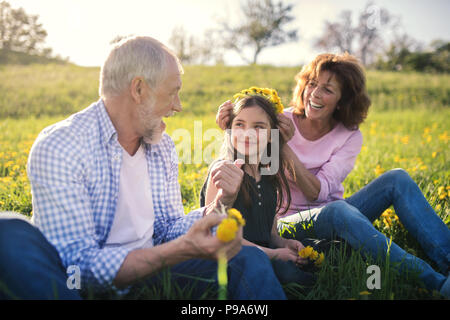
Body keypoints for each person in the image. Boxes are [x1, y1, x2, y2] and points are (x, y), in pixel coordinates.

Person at [0, 36, 286, 300]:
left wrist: (220, 204)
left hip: (152, 272)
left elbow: (166, 229)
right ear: (139, 89)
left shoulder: (161, 147)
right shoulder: (63, 145)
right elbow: (77, 267)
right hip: (83, 289)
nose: (178, 106)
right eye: (173, 93)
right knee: (8, 230)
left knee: (249, 260)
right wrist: (180, 250)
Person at [216, 53, 450, 297]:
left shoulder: (349, 134)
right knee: (337, 211)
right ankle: (435, 283)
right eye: (312, 84)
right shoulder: (277, 120)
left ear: (343, 100)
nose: (315, 94)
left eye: (327, 89)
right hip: (285, 222)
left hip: (336, 212)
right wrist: (229, 126)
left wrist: (283, 146)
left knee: (396, 179)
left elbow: (317, 191)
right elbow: (243, 152)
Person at [200, 87, 316, 286]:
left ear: (271, 135)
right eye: (239, 124)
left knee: (311, 255)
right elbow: (219, 236)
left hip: (263, 252)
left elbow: (270, 234)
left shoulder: (269, 173)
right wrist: (274, 254)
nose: (247, 134)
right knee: (288, 273)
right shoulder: (223, 171)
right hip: (231, 256)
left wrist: (284, 243)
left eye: (258, 127)